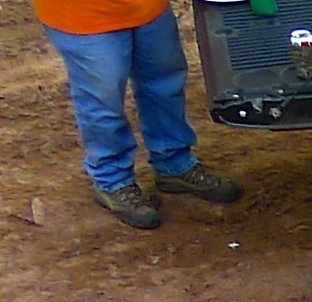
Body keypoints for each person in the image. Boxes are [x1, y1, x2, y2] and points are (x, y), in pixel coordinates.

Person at [36, 0, 242, 230]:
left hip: (148, 8)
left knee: (164, 84)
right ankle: (112, 180)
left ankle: (174, 163)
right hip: (84, 15)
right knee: (103, 102)